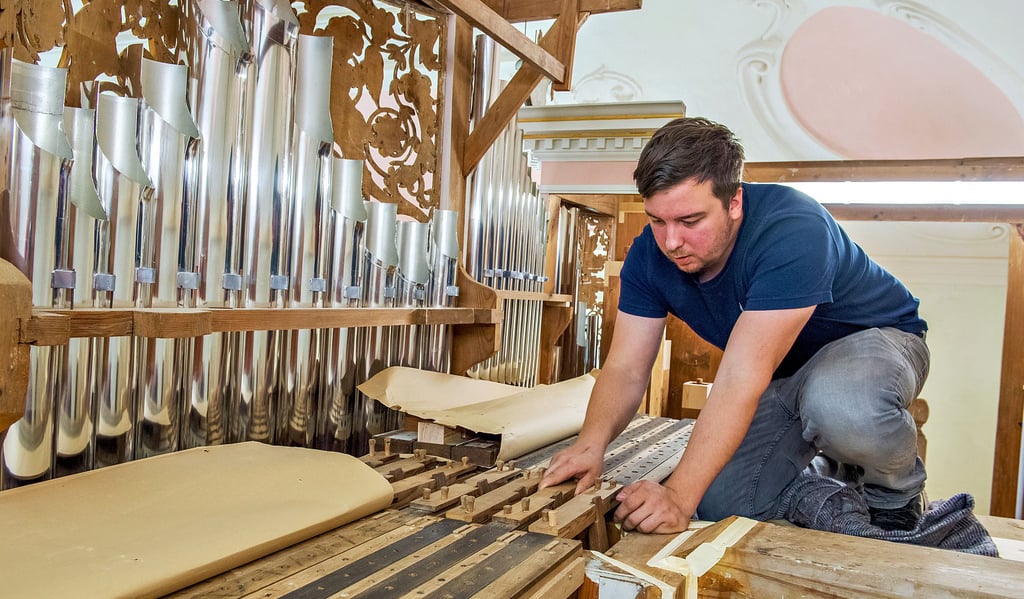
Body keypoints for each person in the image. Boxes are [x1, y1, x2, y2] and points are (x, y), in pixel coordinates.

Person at [539, 117, 930, 534]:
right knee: (724, 501)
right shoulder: (648, 257)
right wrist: (589, 447)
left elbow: (741, 377)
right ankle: (828, 465)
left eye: (690, 221)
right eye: (657, 220)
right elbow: (626, 368)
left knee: (843, 406)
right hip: (784, 375)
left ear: (735, 202)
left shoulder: (794, 228)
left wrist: (677, 497)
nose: (671, 242)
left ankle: (896, 492)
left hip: (877, 342)